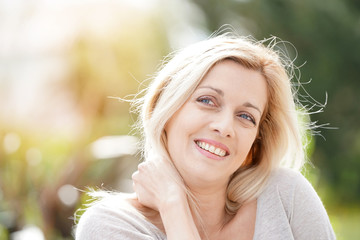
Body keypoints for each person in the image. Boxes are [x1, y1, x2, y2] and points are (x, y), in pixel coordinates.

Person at [75, 33, 336, 240]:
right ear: (166, 110)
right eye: (207, 100)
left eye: (246, 116)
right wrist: (172, 204)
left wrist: (174, 207)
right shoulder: (110, 226)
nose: (224, 127)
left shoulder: (285, 195)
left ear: (255, 143)